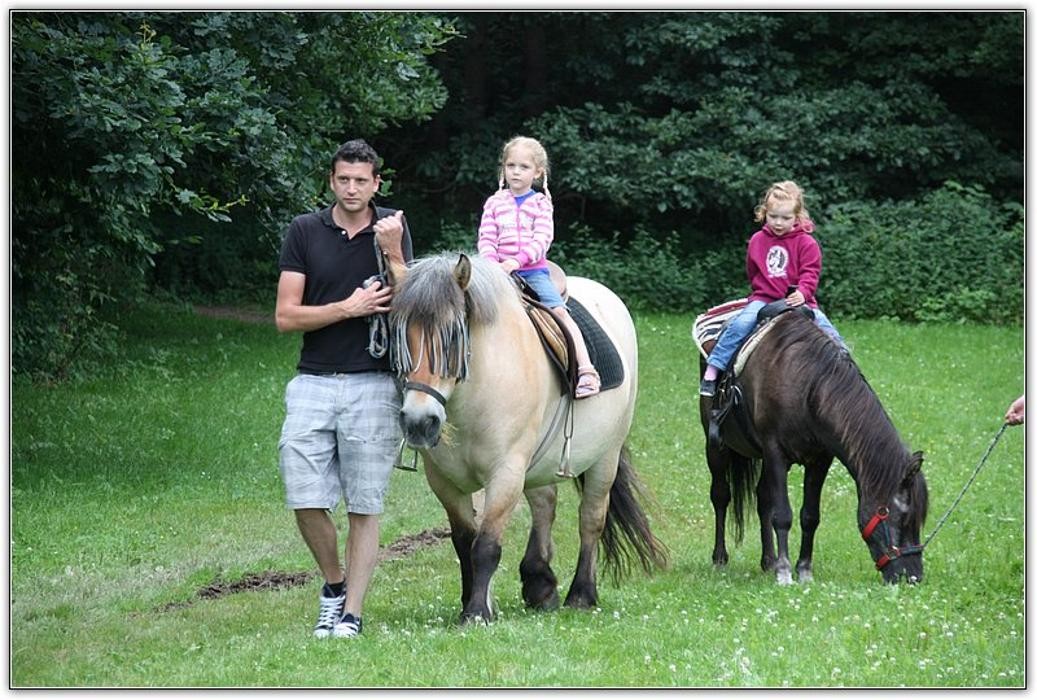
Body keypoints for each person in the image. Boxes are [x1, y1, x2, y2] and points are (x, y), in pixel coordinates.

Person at [275, 139, 413, 639]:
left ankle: (351, 613)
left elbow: (409, 307)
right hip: (312, 378)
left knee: (364, 503)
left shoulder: (392, 227)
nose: (352, 188)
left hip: (373, 383)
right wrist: (347, 309)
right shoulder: (305, 231)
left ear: (377, 183)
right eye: (343, 179)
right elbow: (286, 316)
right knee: (303, 495)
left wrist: (394, 250)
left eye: (362, 180)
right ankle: (333, 585)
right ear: (331, 182)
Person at [477, 135, 600, 400]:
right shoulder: (494, 203)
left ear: (538, 172)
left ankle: (586, 369)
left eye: (523, 167)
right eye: (511, 166)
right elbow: (486, 238)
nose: (516, 172)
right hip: (497, 272)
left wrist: (515, 261)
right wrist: (491, 264)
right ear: (503, 169)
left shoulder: (541, 204)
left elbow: (542, 240)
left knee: (559, 313)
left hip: (532, 271)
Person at [700, 180, 846, 397]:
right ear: (764, 214)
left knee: (828, 333)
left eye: (786, 218)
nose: (779, 222)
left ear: (798, 217)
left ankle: (845, 372)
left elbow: (810, 273)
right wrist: (761, 291)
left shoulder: (806, 243)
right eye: (773, 216)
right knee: (741, 324)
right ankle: (714, 369)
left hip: (796, 300)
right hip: (764, 299)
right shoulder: (758, 240)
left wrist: (802, 293)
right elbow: (753, 271)